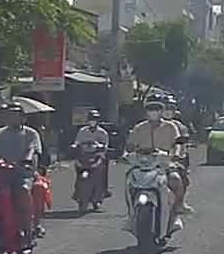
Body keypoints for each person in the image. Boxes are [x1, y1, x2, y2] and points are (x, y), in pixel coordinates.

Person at [0, 102, 44, 243]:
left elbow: (32, 149)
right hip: (1, 173)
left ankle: (28, 230)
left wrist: (27, 159)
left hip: (22, 173)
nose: (12, 118)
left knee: (23, 190)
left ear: (23, 118)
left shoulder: (31, 133)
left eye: (15, 115)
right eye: (10, 115)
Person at [124, 95, 186, 232]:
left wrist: (176, 155)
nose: (153, 112)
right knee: (128, 182)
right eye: (150, 109)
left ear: (161, 111)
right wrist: (126, 154)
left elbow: (178, 144)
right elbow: (130, 145)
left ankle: (175, 215)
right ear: (146, 111)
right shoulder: (139, 128)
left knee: (176, 180)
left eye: (157, 109)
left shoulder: (171, 127)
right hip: (142, 165)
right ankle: (131, 216)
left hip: (164, 163)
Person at [161, 95, 194, 214]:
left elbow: (182, 144)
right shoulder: (146, 126)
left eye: (170, 108)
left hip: (173, 159)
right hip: (152, 159)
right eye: (165, 108)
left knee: (182, 179)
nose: (167, 111)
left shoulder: (179, 126)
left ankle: (180, 203)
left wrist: (177, 156)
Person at [73, 110, 112, 200]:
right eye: (91, 119)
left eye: (94, 120)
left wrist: (101, 148)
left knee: (103, 167)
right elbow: (77, 142)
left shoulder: (103, 133)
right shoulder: (82, 131)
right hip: (84, 155)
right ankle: (77, 190)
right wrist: (74, 146)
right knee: (78, 167)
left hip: (97, 156)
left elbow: (105, 146)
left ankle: (104, 190)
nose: (92, 122)